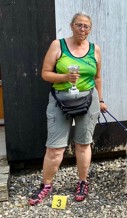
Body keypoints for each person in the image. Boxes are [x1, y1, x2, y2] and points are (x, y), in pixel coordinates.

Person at [28, 12, 107, 206]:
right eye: (79, 25)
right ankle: (46, 185)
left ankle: (82, 182)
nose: (82, 29)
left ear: (91, 29)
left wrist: (102, 100)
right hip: (60, 100)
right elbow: (45, 74)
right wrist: (65, 78)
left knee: (83, 144)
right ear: (71, 26)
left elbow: (97, 77)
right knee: (55, 148)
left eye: (86, 26)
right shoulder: (58, 45)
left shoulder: (95, 49)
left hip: (89, 99)